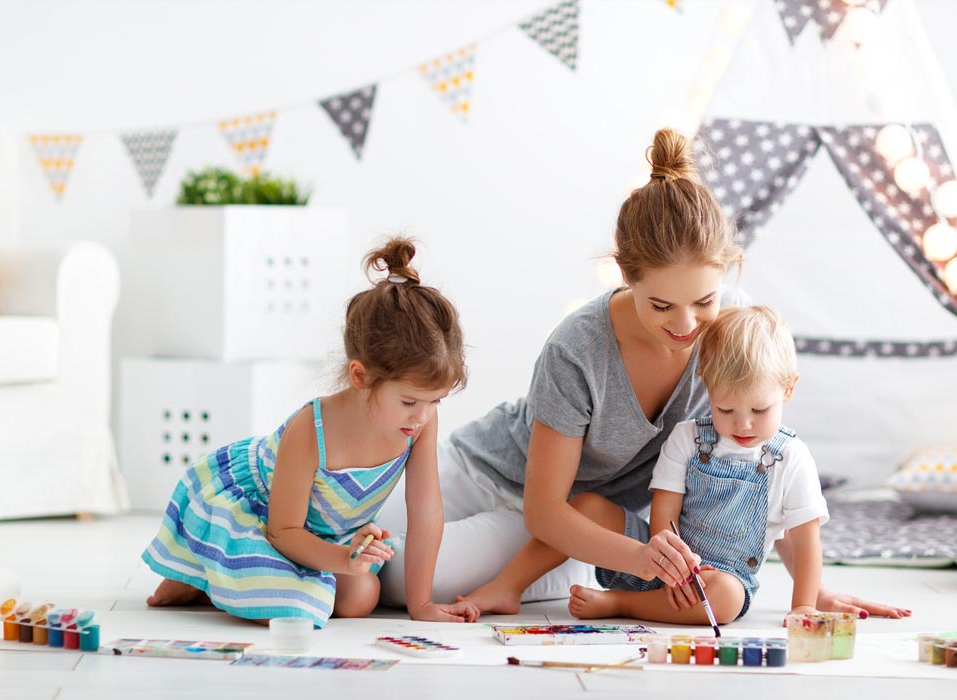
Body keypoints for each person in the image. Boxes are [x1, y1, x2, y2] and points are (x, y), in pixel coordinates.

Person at [379, 128, 909, 622]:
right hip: (486, 474)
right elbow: (546, 507)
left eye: (703, 300)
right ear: (625, 275)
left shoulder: (732, 329)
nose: (684, 325)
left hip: (569, 527)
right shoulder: (578, 347)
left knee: (399, 579)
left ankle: (545, 572)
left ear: (726, 272)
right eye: (660, 305)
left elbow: (763, 471)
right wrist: (648, 560)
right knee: (336, 531)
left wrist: (810, 591)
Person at [143, 237, 480, 628]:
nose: (423, 416)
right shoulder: (312, 427)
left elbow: (426, 513)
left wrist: (421, 604)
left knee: (360, 598)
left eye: (435, 402)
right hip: (263, 520)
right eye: (410, 402)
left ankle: (217, 577)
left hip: (324, 538)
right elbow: (283, 531)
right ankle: (201, 572)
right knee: (291, 607)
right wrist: (342, 561)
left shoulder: (418, 424)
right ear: (361, 376)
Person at [570, 305, 825, 623]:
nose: (742, 425)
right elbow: (664, 511)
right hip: (658, 558)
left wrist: (804, 604)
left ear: (788, 389)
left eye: (759, 410)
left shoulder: (792, 458)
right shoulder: (688, 438)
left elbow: (805, 540)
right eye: (726, 409)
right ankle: (512, 584)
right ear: (709, 389)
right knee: (585, 507)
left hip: (717, 582)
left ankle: (621, 604)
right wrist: (671, 566)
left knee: (728, 598)